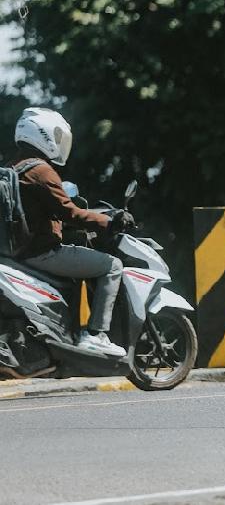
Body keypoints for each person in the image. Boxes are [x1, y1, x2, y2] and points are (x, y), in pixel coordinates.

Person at [10, 108, 134, 357]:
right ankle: (97, 335)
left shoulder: (13, 169)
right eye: (56, 135)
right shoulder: (41, 171)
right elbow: (71, 213)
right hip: (42, 253)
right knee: (112, 266)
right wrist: (108, 222)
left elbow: (37, 214)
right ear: (42, 134)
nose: (59, 142)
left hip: (18, 252)